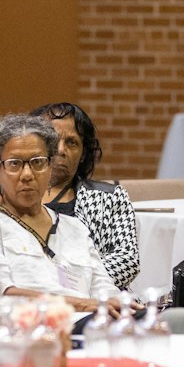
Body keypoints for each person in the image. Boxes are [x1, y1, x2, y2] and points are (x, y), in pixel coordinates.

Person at [0, 114, 118, 311]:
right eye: (14, 164)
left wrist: (123, 308)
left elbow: (105, 290)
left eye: (38, 162)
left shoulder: (74, 227)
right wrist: (81, 305)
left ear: (50, 166)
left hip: (92, 325)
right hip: (26, 328)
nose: (27, 175)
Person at [33, 101, 140, 289]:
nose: (60, 150)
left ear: (83, 153)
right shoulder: (5, 199)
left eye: (71, 142)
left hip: (98, 300)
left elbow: (127, 260)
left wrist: (75, 285)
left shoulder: (110, 198)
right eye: (52, 139)